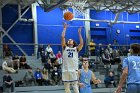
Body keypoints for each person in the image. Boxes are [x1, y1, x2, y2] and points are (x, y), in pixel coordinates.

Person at [61, 23, 83, 93]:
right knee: (66, 87)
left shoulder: (76, 49)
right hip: (66, 70)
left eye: (71, 40)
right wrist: (64, 29)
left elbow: (82, 43)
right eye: (69, 40)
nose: (70, 40)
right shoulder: (65, 47)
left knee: (75, 86)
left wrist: (79, 33)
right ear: (67, 42)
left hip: (74, 70)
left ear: (73, 43)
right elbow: (62, 37)